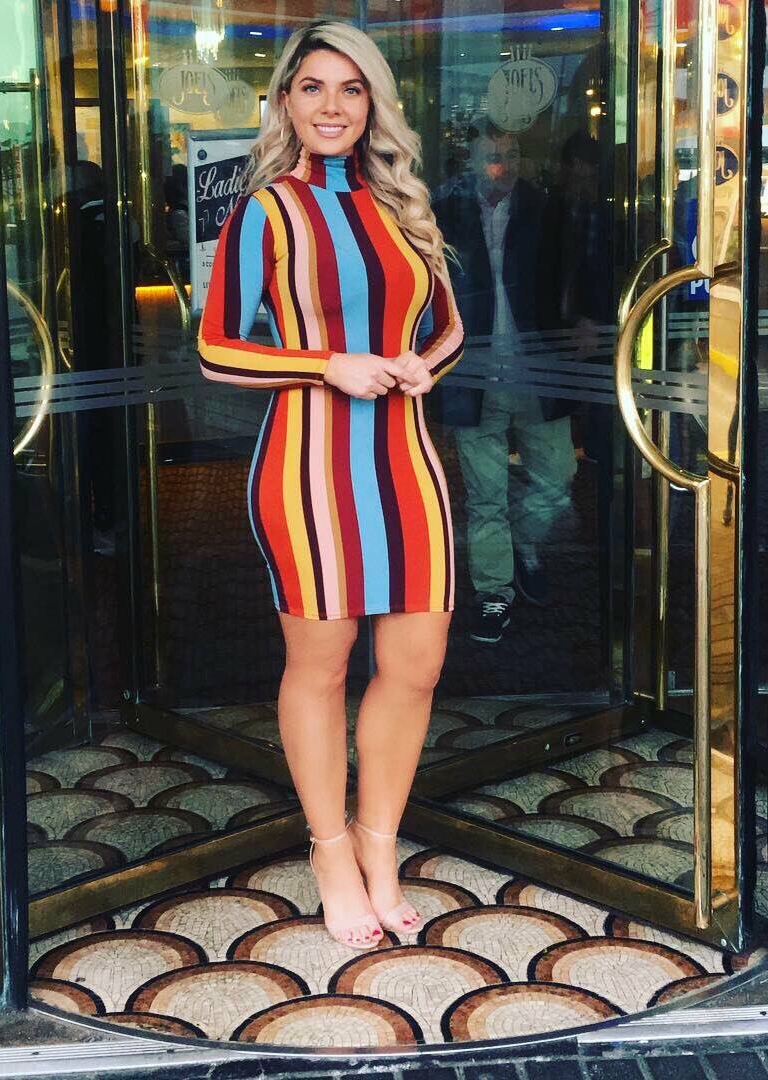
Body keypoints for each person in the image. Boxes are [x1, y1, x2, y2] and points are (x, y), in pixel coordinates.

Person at [197, 21, 464, 950]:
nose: (333, 106)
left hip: (407, 463)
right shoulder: (267, 210)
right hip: (307, 466)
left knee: (416, 665)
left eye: (352, 89)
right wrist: (326, 365)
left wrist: (423, 364)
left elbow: (449, 326)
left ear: (373, 103)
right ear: (285, 101)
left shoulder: (402, 205)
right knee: (322, 663)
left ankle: (379, 844)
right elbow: (216, 348)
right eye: (313, 87)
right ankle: (330, 852)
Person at [432, 121, 577, 644]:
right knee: (485, 496)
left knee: (556, 479)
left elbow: (573, 274)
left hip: (537, 369)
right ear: (470, 161)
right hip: (473, 374)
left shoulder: (546, 209)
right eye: (492, 154)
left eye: (511, 153)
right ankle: (494, 591)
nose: (502, 165)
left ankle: (524, 544)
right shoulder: (444, 213)